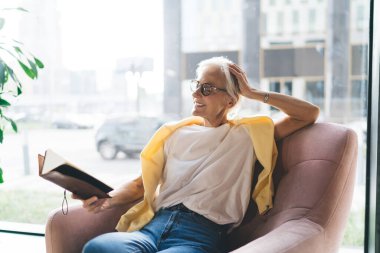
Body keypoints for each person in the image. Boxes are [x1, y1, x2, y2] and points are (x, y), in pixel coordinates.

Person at [74, 56, 320, 253]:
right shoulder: (175, 133)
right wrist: (107, 198)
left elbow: (308, 114)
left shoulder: (248, 134)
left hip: (199, 235)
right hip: (152, 228)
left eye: (207, 88)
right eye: (196, 86)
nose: (196, 94)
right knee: (98, 248)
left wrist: (253, 93)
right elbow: (140, 185)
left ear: (231, 100)